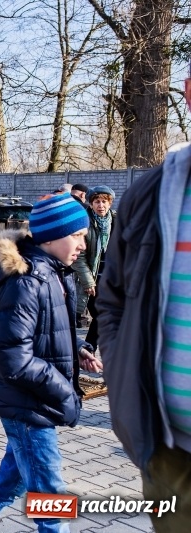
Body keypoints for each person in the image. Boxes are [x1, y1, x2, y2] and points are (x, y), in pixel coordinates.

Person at [0, 193, 101, 533]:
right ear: (52, 236)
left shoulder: (54, 273)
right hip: (29, 404)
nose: (84, 243)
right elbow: (13, 357)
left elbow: (41, 333)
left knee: (11, 482)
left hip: (33, 401)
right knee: (50, 497)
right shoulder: (27, 280)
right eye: (77, 235)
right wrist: (63, 387)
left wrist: (73, 350)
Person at [97, 65, 191, 532]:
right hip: (169, 452)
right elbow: (111, 301)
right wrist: (120, 377)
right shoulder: (147, 196)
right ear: (189, 93)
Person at [73, 185, 115, 350]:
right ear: (90, 204)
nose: (101, 205)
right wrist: (88, 281)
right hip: (90, 280)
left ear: (109, 203)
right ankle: (85, 350)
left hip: (111, 280)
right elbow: (79, 256)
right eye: (97, 201)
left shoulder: (118, 222)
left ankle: (89, 349)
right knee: (100, 315)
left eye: (104, 201)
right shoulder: (84, 223)